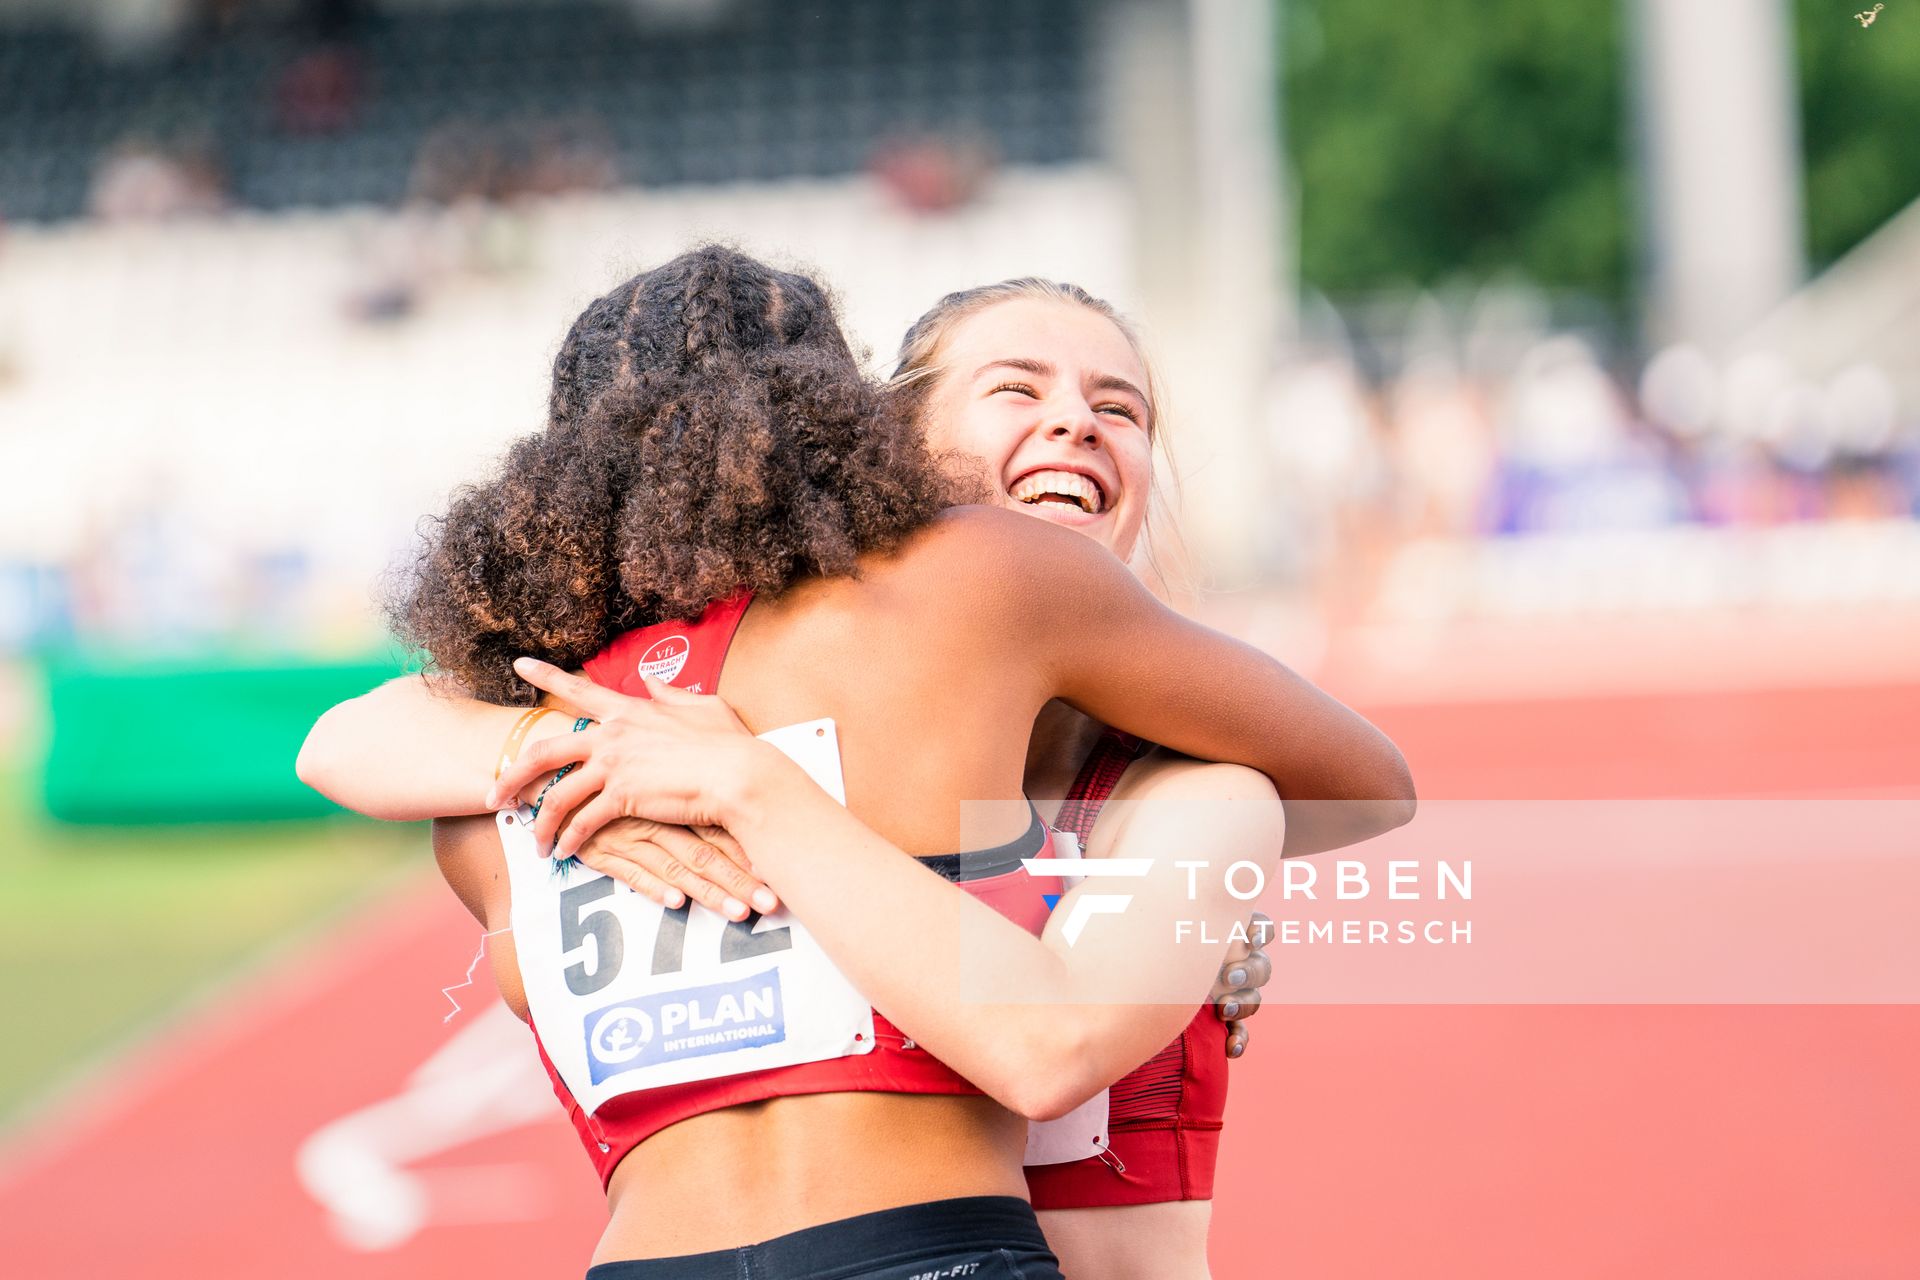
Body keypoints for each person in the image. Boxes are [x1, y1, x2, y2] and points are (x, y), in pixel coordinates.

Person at [300, 249, 1415, 1277]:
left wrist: (549, 748)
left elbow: (347, 737)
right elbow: (1363, 782)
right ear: (860, 421)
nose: (1073, 423)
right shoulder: (973, 589)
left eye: (1118, 405)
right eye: (1015, 389)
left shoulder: (507, 769)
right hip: (923, 1242)